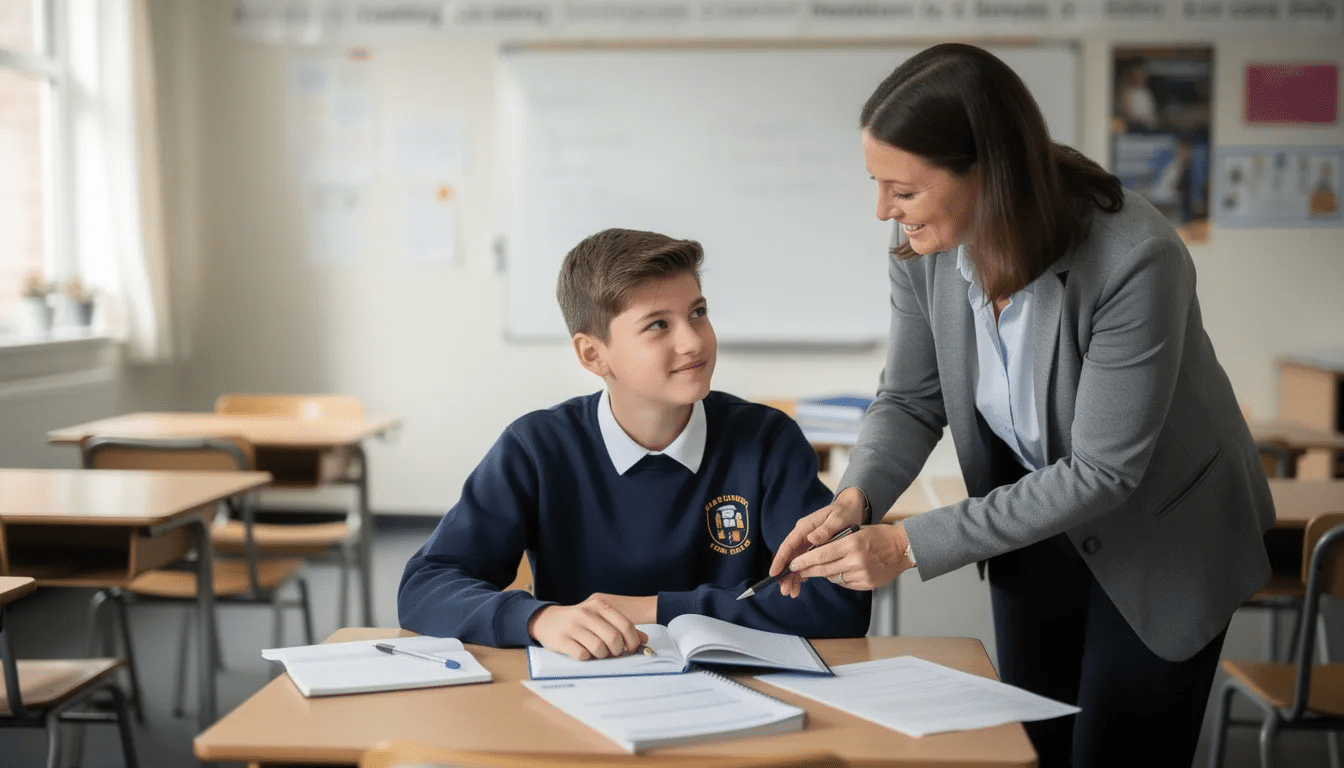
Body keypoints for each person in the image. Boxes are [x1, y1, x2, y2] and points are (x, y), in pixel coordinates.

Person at [770, 43, 1273, 767]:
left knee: (1116, 751)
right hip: (1034, 528)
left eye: (903, 189)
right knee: (1033, 746)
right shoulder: (922, 244)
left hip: (1163, 534)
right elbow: (910, 398)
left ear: (986, 173)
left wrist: (906, 545)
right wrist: (857, 499)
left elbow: (1102, 472)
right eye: (878, 183)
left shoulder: (1135, 256)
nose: (883, 209)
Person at [398, 228, 870, 661]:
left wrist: (654, 609)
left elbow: (838, 598)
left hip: (737, 694)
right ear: (593, 354)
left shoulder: (767, 439)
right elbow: (425, 586)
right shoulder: (537, 447)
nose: (693, 342)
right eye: (658, 325)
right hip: (586, 696)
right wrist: (538, 618)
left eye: (698, 313)